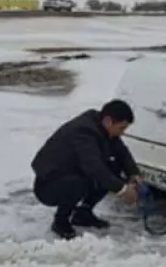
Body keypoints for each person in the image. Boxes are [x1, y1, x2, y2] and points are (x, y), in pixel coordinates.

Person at [30, 100, 142, 240]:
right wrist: (123, 190)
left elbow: (121, 152)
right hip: (48, 185)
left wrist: (133, 173)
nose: (122, 133)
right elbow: (94, 168)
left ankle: (83, 213)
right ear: (108, 121)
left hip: (72, 172)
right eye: (121, 128)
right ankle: (60, 221)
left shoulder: (102, 125)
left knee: (113, 168)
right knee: (80, 183)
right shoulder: (84, 132)